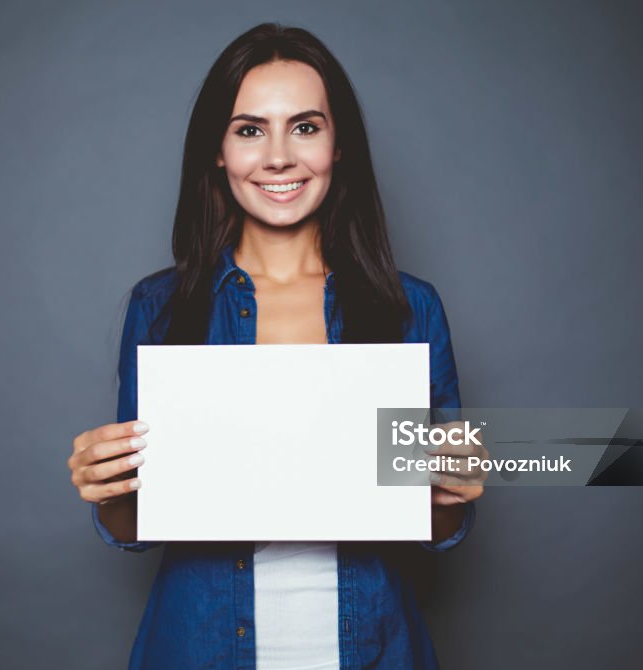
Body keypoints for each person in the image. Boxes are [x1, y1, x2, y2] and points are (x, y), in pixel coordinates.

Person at [67, 23, 485, 670]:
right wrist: (108, 485)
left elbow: (440, 530)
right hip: (199, 648)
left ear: (339, 145)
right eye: (250, 129)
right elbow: (135, 526)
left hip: (375, 647)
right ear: (218, 148)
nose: (280, 156)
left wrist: (452, 487)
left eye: (307, 127)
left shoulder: (410, 307)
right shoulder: (162, 306)